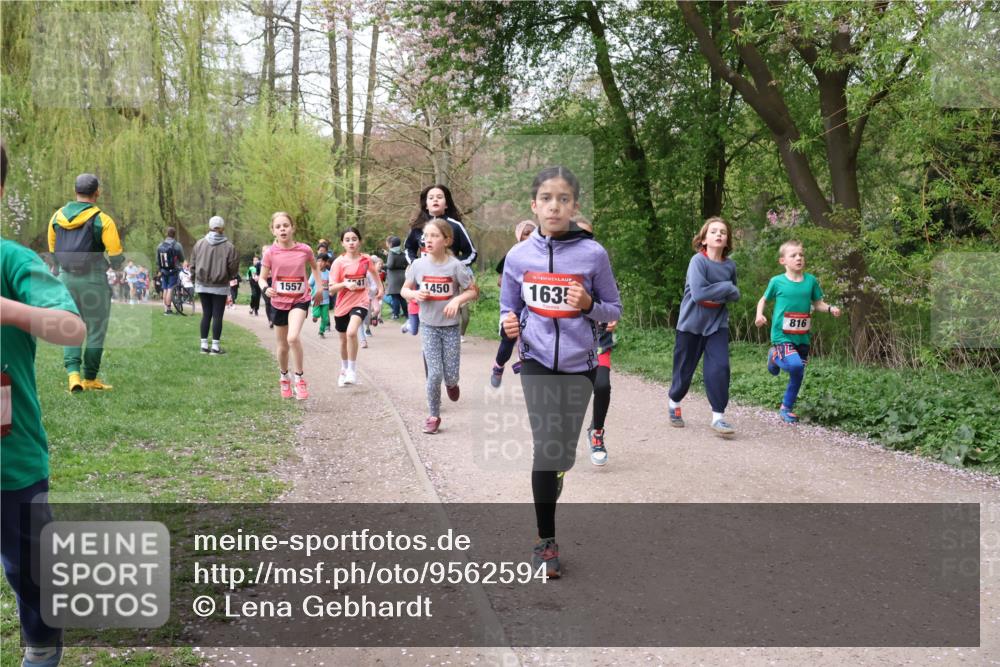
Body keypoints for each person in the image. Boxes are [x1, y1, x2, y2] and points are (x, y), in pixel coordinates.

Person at [499, 166, 622, 578]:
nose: (554, 206)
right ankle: (546, 541)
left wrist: (588, 305)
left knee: (561, 455)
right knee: (546, 447)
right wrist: (507, 322)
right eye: (546, 199)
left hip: (579, 364)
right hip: (535, 360)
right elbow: (509, 306)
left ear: (574, 206)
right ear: (534, 206)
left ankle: (557, 471)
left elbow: (613, 309)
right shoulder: (518, 256)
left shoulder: (593, 254)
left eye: (563, 199)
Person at [2, 140, 87, 667]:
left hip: (10, 460)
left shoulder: (12, 260)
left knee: (30, 569)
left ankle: (41, 644)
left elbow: (72, 327)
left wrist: (7, 310)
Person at [47, 172, 125, 391]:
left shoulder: (56, 218)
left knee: (70, 326)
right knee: (96, 329)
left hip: (65, 279)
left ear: (75, 191)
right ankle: (90, 378)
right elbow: (116, 255)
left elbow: (53, 252)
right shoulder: (102, 220)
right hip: (93, 280)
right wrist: (116, 265)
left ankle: (73, 376)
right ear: (96, 192)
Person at [401, 219, 479, 434]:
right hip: (429, 326)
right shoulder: (417, 265)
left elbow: (473, 291)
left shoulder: (456, 266)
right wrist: (415, 294)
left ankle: (452, 383)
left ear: (446, 240)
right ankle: (433, 416)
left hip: (451, 327)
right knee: (434, 374)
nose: (428, 240)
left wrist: (457, 300)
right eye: (426, 236)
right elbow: (404, 290)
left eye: (434, 236)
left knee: (450, 374)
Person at [667, 216, 740, 436]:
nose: (719, 234)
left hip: (717, 324)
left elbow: (736, 294)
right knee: (684, 371)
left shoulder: (730, 265)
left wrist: (722, 289)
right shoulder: (697, 261)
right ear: (704, 239)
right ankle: (674, 401)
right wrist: (725, 287)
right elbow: (699, 294)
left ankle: (718, 417)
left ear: (727, 240)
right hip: (691, 323)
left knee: (720, 367)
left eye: (723, 232)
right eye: (714, 231)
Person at [755, 239, 842, 423]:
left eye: (801, 255)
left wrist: (830, 308)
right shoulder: (777, 282)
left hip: (802, 336)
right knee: (795, 365)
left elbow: (817, 303)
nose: (798, 258)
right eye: (793, 255)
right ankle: (774, 356)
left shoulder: (811, 281)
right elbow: (763, 299)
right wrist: (759, 315)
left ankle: (786, 408)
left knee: (798, 371)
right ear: (783, 261)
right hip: (782, 335)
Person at [258, 212, 320, 399]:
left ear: (293, 228)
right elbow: (261, 278)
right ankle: (284, 377)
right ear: (273, 231)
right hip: (278, 301)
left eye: (286, 225)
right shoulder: (270, 253)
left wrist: (320, 288)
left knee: (292, 338)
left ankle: (299, 379)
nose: (282, 229)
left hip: (299, 299)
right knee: (282, 345)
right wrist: (265, 288)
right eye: (278, 227)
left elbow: (315, 267)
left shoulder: (304, 250)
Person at [404, 184, 477, 340]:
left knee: (459, 316)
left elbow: (471, 252)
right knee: (425, 319)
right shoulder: (417, 226)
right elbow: (408, 248)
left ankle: (452, 336)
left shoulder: (455, 226)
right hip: (425, 277)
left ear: (446, 203)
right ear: (426, 204)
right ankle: (416, 326)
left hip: (450, 278)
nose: (435, 200)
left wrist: (454, 265)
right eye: (431, 198)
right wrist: (415, 263)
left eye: (439, 197)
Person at [573, 217, 615, 467]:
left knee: (602, 386)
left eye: (589, 236)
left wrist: (611, 317)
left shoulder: (600, 265)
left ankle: (596, 432)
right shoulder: (555, 267)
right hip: (568, 343)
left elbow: (613, 304)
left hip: (598, 339)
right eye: (578, 234)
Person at [330, 227, 384, 387]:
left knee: (352, 332)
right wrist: (345, 284)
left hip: (361, 301)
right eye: (347, 240)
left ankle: (352, 371)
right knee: (343, 341)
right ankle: (344, 369)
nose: (351, 242)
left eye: (354, 239)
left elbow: (374, 272)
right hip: (342, 304)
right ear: (342, 243)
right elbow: (331, 289)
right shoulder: (338, 263)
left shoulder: (365, 259)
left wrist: (380, 288)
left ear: (359, 241)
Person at [489, 219, 536, 388]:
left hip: (534, 307)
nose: (530, 236)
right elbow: (501, 280)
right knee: (508, 341)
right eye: (526, 233)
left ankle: (525, 364)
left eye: (533, 232)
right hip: (516, 307)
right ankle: (498, 365)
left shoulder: (545, 255)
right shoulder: (513, 255)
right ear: (519, 237)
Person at [190, 216, 239, 355]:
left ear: (210, 227)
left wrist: (194, 279)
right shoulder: (229, 247)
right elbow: (233, 267)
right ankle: (215, 347)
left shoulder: (199, 244)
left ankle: (204, 345)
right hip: (220, 285)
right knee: (217, 316)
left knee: (206, 314)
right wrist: (230, 276)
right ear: (222, 228)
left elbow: (192, 264)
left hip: (202, 284)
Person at [156, 226, 185, 315]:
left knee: (165, 289)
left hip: (163, 270)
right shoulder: (177, 245)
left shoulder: (160, 245)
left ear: (167, 234)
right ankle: (169, 309)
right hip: (173, 270)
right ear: (174, 234)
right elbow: (182, 259)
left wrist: (160, 269)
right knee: (170, 289)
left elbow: (157, 261)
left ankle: (165, 309)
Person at [384, 236, 407, 320]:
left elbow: (390, 265)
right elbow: (405, 263)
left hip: (393, 277)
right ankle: (406, 313)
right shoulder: (402, 252)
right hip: (402, 276)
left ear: (391, 244)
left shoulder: (391, 252)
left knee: (395, 297)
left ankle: (395, 314)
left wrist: (384, 265)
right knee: (402, 297)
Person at [309, 253, 331, 338]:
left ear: (326, 262)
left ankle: (321, 332)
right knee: (317, 314)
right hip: (316, 298)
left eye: (322, 261)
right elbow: (310, 284)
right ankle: (314, 315)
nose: (319, 263)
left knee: (325, 318)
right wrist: (311, 291)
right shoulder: (315, 273)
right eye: (318, 261)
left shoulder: (329, 273)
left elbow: (331, 284)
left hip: (326, 300)